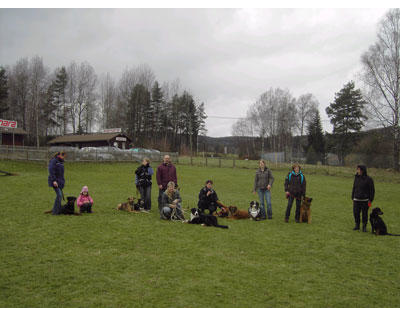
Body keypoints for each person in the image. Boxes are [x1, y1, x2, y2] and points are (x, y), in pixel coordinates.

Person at [351, 165, 375, 232]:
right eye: (357, 169)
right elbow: (354, 187)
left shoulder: (369, 179)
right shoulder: (356, 178)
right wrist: (353, 197)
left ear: (362, 170)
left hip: (365, 201)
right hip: (356, 199)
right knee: (356, 213)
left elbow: (372, 190)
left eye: (359, 169)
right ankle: (357, 225)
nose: (357, 171)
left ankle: (364, 227)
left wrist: (370, 199)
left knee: (364, 214)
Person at [47, 151, 66, 215]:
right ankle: (55, 212)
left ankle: (57, 209)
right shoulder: (54, 161)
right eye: (63, 156)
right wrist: (54, 180)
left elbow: (61, 174)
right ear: (59, 155)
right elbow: (51, 171)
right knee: (59, 195)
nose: (64, 158)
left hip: (60, 182)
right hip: (55, 181)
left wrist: (62, 182)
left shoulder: (61, 162)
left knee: (59, 196)